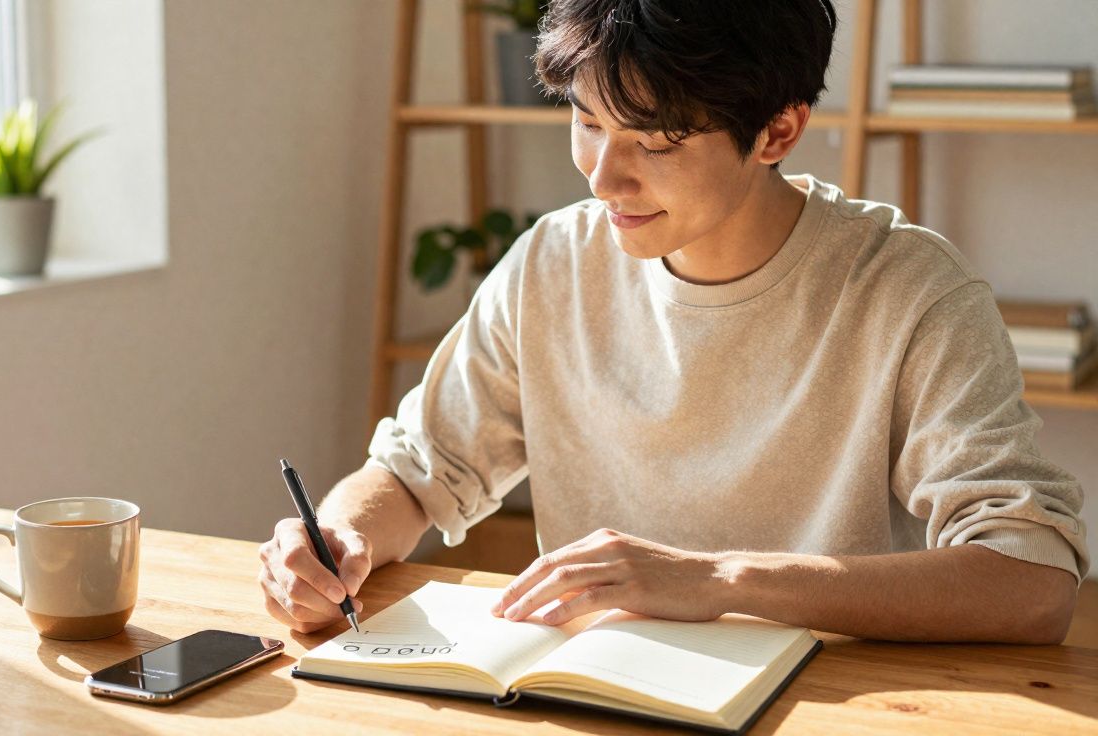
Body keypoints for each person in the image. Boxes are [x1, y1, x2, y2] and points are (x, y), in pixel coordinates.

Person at [258, 0, 1088, 643]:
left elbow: (1032, 581)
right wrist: (336, 538)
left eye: (652, 143)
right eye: (587, 123)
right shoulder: (553, 263)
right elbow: (413, 473)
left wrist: (720, 579)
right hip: (605, 695)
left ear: (777, 131)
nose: (602, 179)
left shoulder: (909, 290)